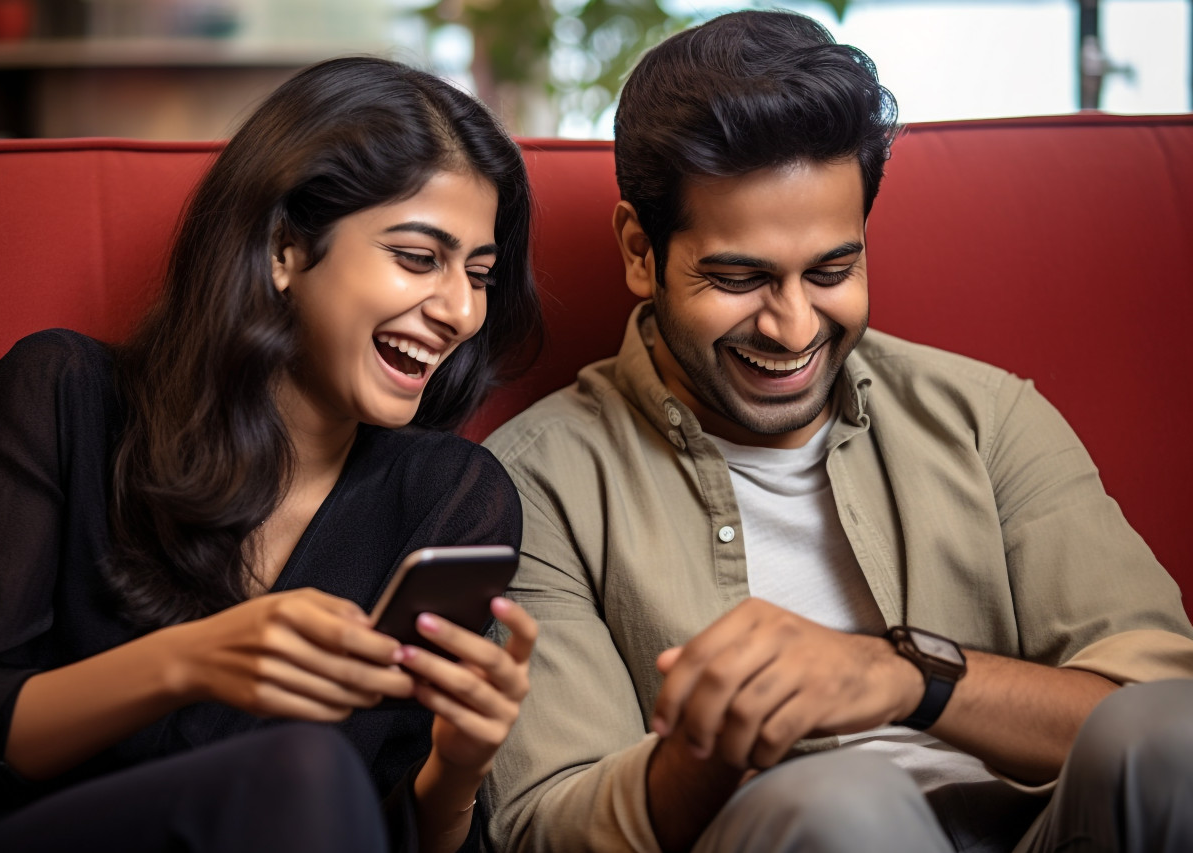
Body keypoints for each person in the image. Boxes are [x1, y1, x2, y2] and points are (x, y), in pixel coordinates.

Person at [481, 10, 1193, 853]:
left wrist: (905, 677)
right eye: (739, 277)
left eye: (831, 270)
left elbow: (1158, 694)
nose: (791, 328)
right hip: (800, 832)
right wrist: (709, 748)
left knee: (1165, 734)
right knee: (838, 802)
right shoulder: (535, 484)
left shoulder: (985, 416)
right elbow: (544, 824)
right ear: (641, 251)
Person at [0, 56, 542, 853]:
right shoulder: (62, 397)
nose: (459, 310)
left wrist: (457, 769)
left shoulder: (450, 498)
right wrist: (191, 660)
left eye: (479, 275)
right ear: (284, 247)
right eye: (419, 257)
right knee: (304, 769)